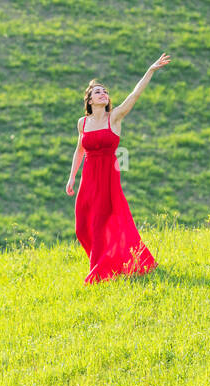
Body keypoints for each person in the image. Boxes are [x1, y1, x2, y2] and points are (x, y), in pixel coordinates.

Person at [65, 53, 170, 282]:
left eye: (105, 92)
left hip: (108, 178)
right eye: (97, 92)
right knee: (83, 226)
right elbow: (79, 150)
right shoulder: (82, 123)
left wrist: (150, 70)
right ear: (90, 100)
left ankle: (99, 272)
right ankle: (106, 262)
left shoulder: (115, 117)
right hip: (88, 179)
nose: (103, 94)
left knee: (102, 223)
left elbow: (135, 95)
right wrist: (72, 177)